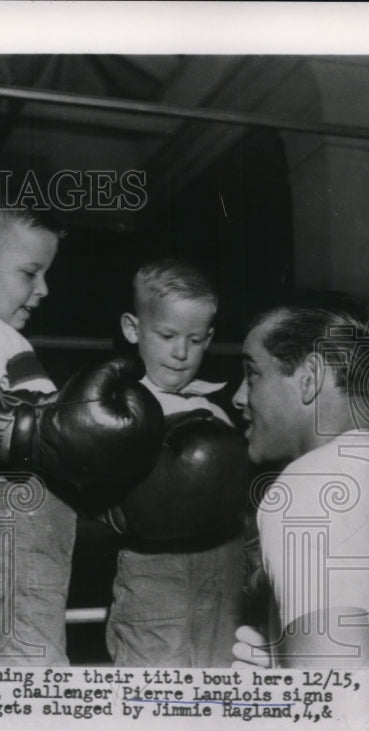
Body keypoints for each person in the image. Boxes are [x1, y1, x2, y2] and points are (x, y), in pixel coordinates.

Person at [0, 187, 161, 665]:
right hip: (1, 507)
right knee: (28, 654)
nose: (44, 289)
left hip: (18, 511)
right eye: (30, 273)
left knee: (29, 646)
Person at [105, 259, 248, 666]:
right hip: (156, 571)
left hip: (223, 568)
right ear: (132, 329)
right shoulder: (119, 404)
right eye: (166, 335)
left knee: (220, 679)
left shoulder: (218, 410)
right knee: (152, 682)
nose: (181, 352)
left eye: (196, 339)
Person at [231, 295, 369, 669]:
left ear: (309, 377)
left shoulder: (312, 485)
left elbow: (337, 700)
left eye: (252, 374)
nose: (238, 396)